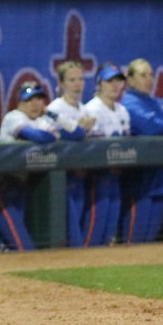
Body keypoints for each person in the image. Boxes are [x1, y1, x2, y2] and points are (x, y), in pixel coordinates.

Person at [120, 58, 163, 243]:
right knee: (134, 243)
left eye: (151, 75)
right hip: (140, 183)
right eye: (142, 75)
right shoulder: (128, 102)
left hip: (162, 180)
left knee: (150, 243)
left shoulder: (158, 103)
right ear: (129, 80)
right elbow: (149, 126)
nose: (149, 80)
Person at [0, 81, 59, 251]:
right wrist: (49, 134)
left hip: (23, 186)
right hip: (3, 187)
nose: (35, 104)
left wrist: (51, 120)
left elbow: (69, 134)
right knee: (24, 246)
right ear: (19, 103)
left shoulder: (42, 120)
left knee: (6, 246)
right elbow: (34, 134)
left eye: (39, 99)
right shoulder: (13, 116)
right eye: (29, 100)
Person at [46, 62, 97, 247]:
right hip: (62, 177)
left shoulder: (85, 109)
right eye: (72, 79)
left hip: (82, 176)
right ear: (61, 83)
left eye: (81, 79)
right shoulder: (55, 108)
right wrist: (79, 128)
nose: (78, 84)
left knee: (82, 224)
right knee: (71, 229)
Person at [82, 63, 131, 247]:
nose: (115, 85)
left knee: (110, 233)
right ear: (99, 83)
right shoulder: (91, 109)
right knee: (95, 230)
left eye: (118, 80)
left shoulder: (122, 111)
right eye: (110, 81)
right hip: (97, 177)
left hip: (116, 178)